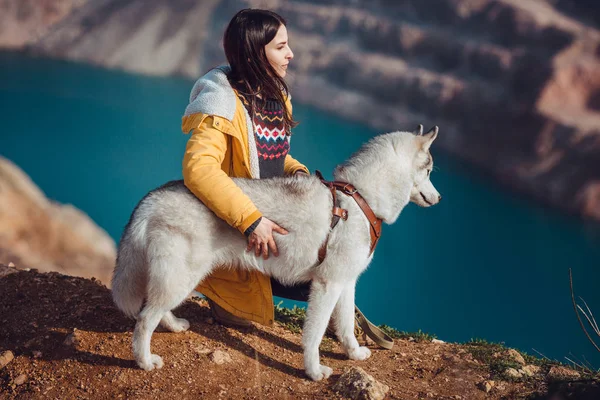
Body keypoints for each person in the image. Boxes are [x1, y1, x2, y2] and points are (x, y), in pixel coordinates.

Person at [181, 8, 393, 349]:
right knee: (326, 274)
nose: (291, 54)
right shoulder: (221, 104)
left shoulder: (274, 97)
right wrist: (250, 221)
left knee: (333, 259)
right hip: (233, 235)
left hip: (269, 220)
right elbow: (199, 170)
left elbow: (268, 155)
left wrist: (295, 171)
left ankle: (334, 316)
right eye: (281, 47)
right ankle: (229, 298)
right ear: (255, 53)